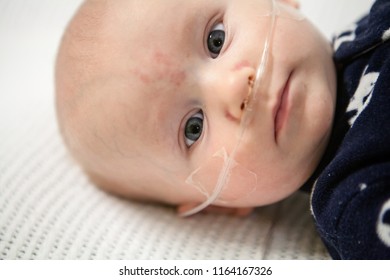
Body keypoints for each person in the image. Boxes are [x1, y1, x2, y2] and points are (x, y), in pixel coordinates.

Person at [55, 0, 390, 259]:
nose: (234, 89)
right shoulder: (357, 208)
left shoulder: (370, 23)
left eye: (216, 40)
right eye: (193, 128)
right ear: (221, 205)